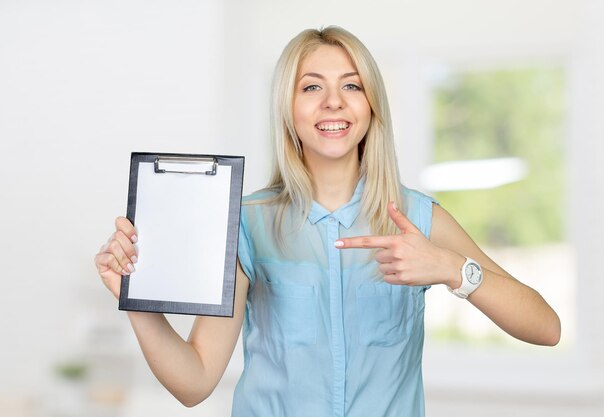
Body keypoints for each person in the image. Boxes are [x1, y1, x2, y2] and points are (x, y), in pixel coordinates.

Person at [95, 26, 560, 417]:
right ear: (289, 110)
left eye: (352, 85)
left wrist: (452, 269)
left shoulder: (417, 218)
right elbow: (194, 382)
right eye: (312, 86)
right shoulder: (247, 225)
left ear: (371, 105)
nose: (333, 102)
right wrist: (137, 301)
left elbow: (546, 327)